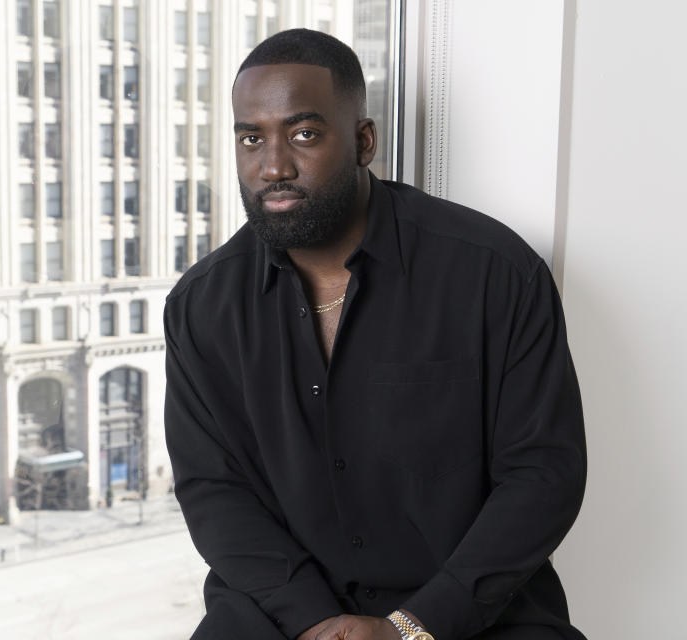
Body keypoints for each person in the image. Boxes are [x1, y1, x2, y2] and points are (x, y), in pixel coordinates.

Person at [164, 29, 586, 640]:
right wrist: (312, 620)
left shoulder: (494, 272)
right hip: (278, 613)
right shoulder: (202, 306)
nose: (274, 165)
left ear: (364, 141)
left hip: (469, 613)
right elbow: (213, 488)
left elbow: (544, 473)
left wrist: (413, 628)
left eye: (304, 134)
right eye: (252, 138)